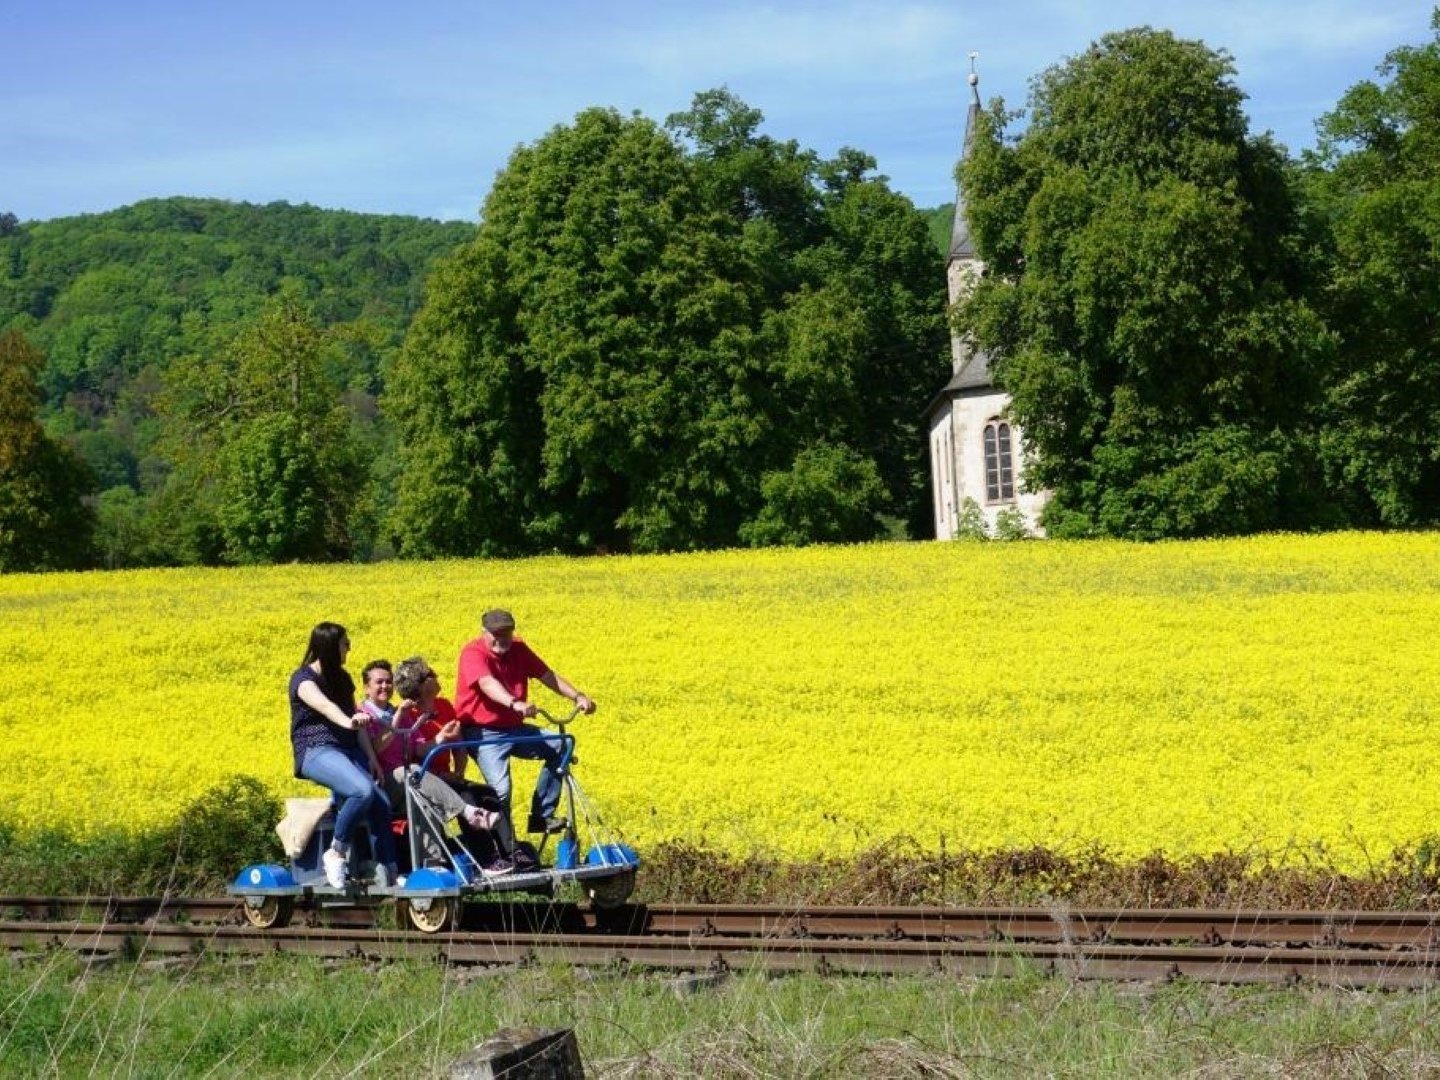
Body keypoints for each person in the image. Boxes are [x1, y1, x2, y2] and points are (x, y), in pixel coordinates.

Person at [454, 609, 596, 836]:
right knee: (502, 790)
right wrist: (515, 703)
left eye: (507, 633)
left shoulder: (518, 648)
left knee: (562, 746)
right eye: (496, 634)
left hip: (514, 728)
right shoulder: (473, 653)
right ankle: (506, 846)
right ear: (484, 633)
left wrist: (578, 696)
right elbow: (487, 683)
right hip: (482, 732)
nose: (503, 639)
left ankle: (541, 817)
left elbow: (547, 675)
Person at [289, 622, 397, 889]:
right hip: (317, 750)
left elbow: (356, 721)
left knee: (381, 803)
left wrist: (370, 756)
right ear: (329, 647)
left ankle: (389, 872)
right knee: (362, 791)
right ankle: (336, 852)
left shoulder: (343, 678)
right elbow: (326, 707)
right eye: (345, 644)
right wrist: (349, 722)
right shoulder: (302, 679)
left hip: (349, 749)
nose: (349, 649)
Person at [390, 656, 520, 873]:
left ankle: (511, 853)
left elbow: (459, 745)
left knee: (486, 792)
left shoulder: (444, 705)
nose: (437, 676)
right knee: (466, 797)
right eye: (430, 674)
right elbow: (412, 755)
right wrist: (441, 763)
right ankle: (486, 861)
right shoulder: (407, 715)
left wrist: (459, 771)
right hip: (426, 781)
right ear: (421, 685)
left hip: (448, 777)